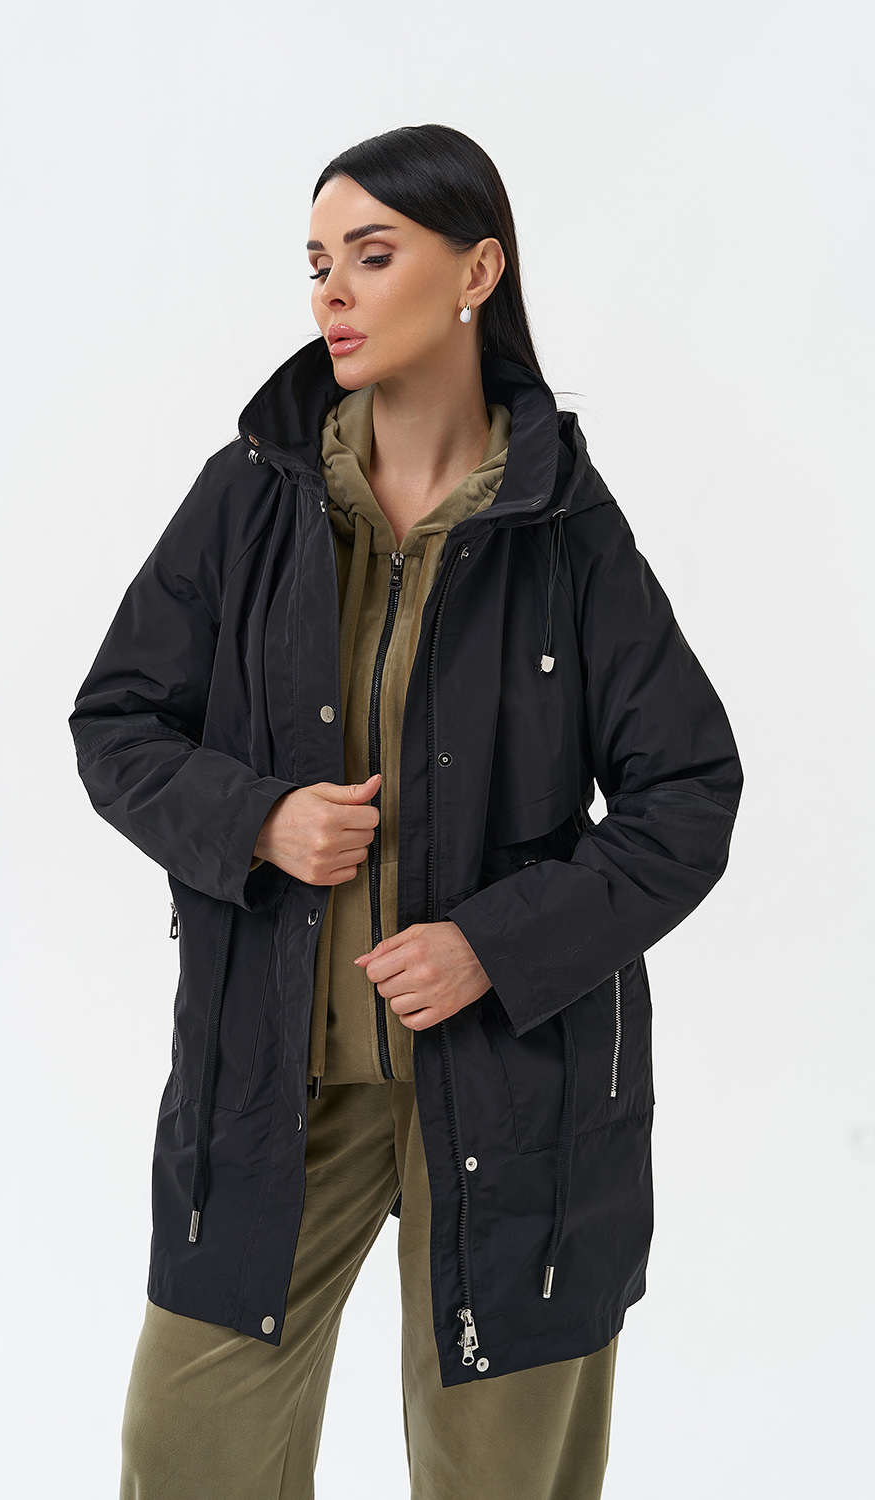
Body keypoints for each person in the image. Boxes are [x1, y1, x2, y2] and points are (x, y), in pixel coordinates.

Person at [68, 123, 744, 1499]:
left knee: (500, 1480)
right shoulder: (251, 497)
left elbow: (688, 790)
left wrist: (495, 943)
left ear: (476, 271)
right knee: (185, 1454)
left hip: (517, 1082)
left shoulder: (564, 525)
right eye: (318, 261)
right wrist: (259, 819)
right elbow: (116, 720)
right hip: (272, 1079)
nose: (333, 290)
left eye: (372, 256)